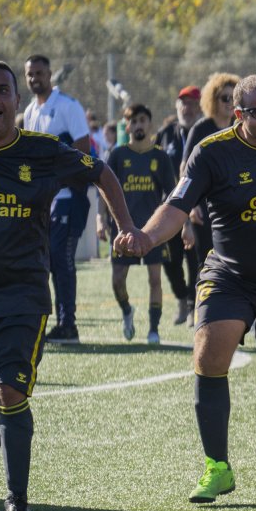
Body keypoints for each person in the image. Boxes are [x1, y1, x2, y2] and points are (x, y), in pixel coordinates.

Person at [118, 74, 256, 503]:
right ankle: (217, 467)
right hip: (229, 274)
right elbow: (176, 206)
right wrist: (145, 236)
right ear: (238, 115)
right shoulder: (211, 153)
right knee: (210, 353)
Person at [0, 60, 137, 511]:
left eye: (3, 92)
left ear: (19, 102)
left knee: (12, 393)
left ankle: (17, 499)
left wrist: (127, 227)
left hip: (23, 297)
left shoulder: (43, 152)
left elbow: (101, 172)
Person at [22, 55, 94, 345]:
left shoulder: (68, 106)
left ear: (50, 74)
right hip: (44, 201)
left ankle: (69, 325)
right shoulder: (29, 111)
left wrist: (58, 182)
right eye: (29, 74)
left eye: (39, 72)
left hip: (67, 197)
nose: (34, 78)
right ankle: (56, 321)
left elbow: (83, 150)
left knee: (62, 260)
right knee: (48, 261)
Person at [98, 104, 177, 344]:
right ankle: (127, 311)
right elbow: (104, 189)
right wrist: (100, 218)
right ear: (128, 125)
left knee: (155, 279)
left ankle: (154, 329)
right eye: (134, 121)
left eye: (143, 120)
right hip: (122, 229)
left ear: (149, 124)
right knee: (118, 279)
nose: (139, 125)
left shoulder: (160, 157)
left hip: (152, 230)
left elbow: (172, 193)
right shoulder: (118, 155)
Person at [156, 86, 203, 325]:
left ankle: (195, 305)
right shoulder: (166, 134)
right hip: (169, 208)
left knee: (196, 260)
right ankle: (182, 298)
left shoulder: (205, 132)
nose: (188, 108)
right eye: (183, 103)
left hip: (197, 209)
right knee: (170, 260)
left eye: (193, 103)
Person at [182, 73, 239, 271]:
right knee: (206, 265)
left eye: (234, 98)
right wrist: (190, 206)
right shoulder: (200, 129)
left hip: (234, 205)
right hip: (204, 209)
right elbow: (185, 169)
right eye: (225, 98)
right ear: (212, 100)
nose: (230, 103)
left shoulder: (241, 128)